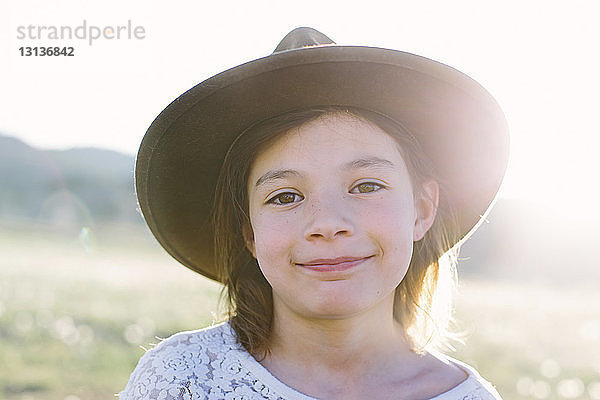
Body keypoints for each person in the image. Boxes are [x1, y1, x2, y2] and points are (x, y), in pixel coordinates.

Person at [120, 27, 509, 399]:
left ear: (421, 211)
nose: (327, 224)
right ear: (250, 232)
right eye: (286, 196)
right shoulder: (182, 381)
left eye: (367, 186)